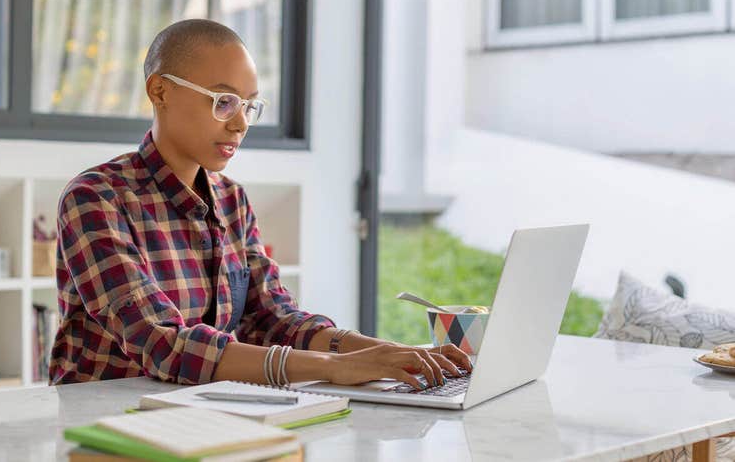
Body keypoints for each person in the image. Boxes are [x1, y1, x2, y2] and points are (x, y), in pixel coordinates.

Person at [49, 19, 471, 390]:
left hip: (201, 412)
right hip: (108, 425)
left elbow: (274, 318)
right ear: (160, 91)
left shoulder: (231, 200)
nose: (241, 122)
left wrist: (390, 352)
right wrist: (335, 366)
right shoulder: (96, 199)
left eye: (249, 105)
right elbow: (164, 343)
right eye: (223, 101)